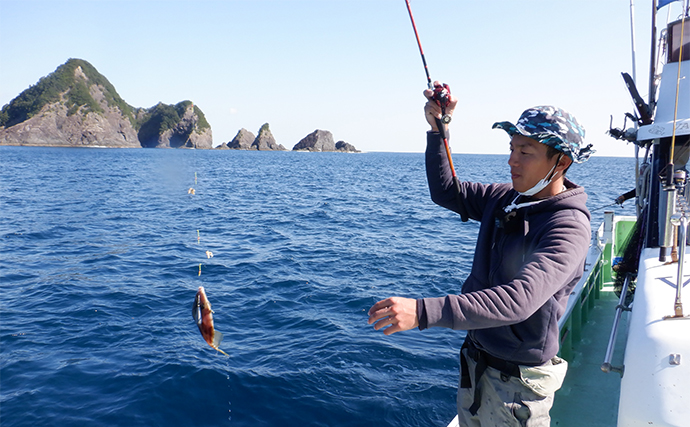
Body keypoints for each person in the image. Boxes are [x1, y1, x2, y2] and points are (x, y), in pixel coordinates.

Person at [367, 85, 594, 427]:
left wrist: (423, 311)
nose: (511, 161)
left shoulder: (568, 227)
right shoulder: (505, 198)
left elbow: (519, 300)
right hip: (475, 363)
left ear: (560, 162)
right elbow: (447, 191)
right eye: (512, 148)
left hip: (519, 385)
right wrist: (437, 130)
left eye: (526, 152)